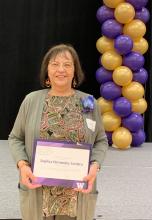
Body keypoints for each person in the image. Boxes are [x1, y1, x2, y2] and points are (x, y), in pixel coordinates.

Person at [8, 43, 108, 220]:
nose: (61, 69)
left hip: (77, 193)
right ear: (47, 70)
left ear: (75, 71)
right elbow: (15, 138)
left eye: (67, 64)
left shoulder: (89, 102)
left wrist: (95, 165)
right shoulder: (31, 100)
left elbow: (100, 139)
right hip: (38, 191)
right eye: (55, 64)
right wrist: (22, 165)